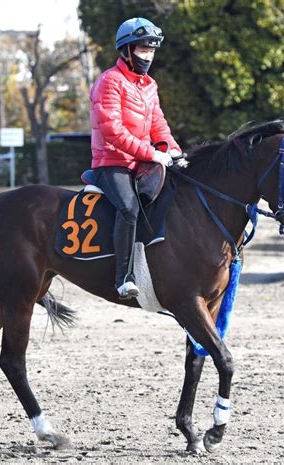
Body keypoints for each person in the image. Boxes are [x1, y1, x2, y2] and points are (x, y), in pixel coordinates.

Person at [89, 17, 182, 300]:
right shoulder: (109, 82)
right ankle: (123, 277)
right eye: (143, 50)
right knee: (129, 208)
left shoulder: (149, 86)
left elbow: (158, 126)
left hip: (141, 161)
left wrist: (172, 150)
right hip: (111, 162)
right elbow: (113, 132)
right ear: (127, 51)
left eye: (151, 51)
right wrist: (153, 153)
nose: (148, 56)